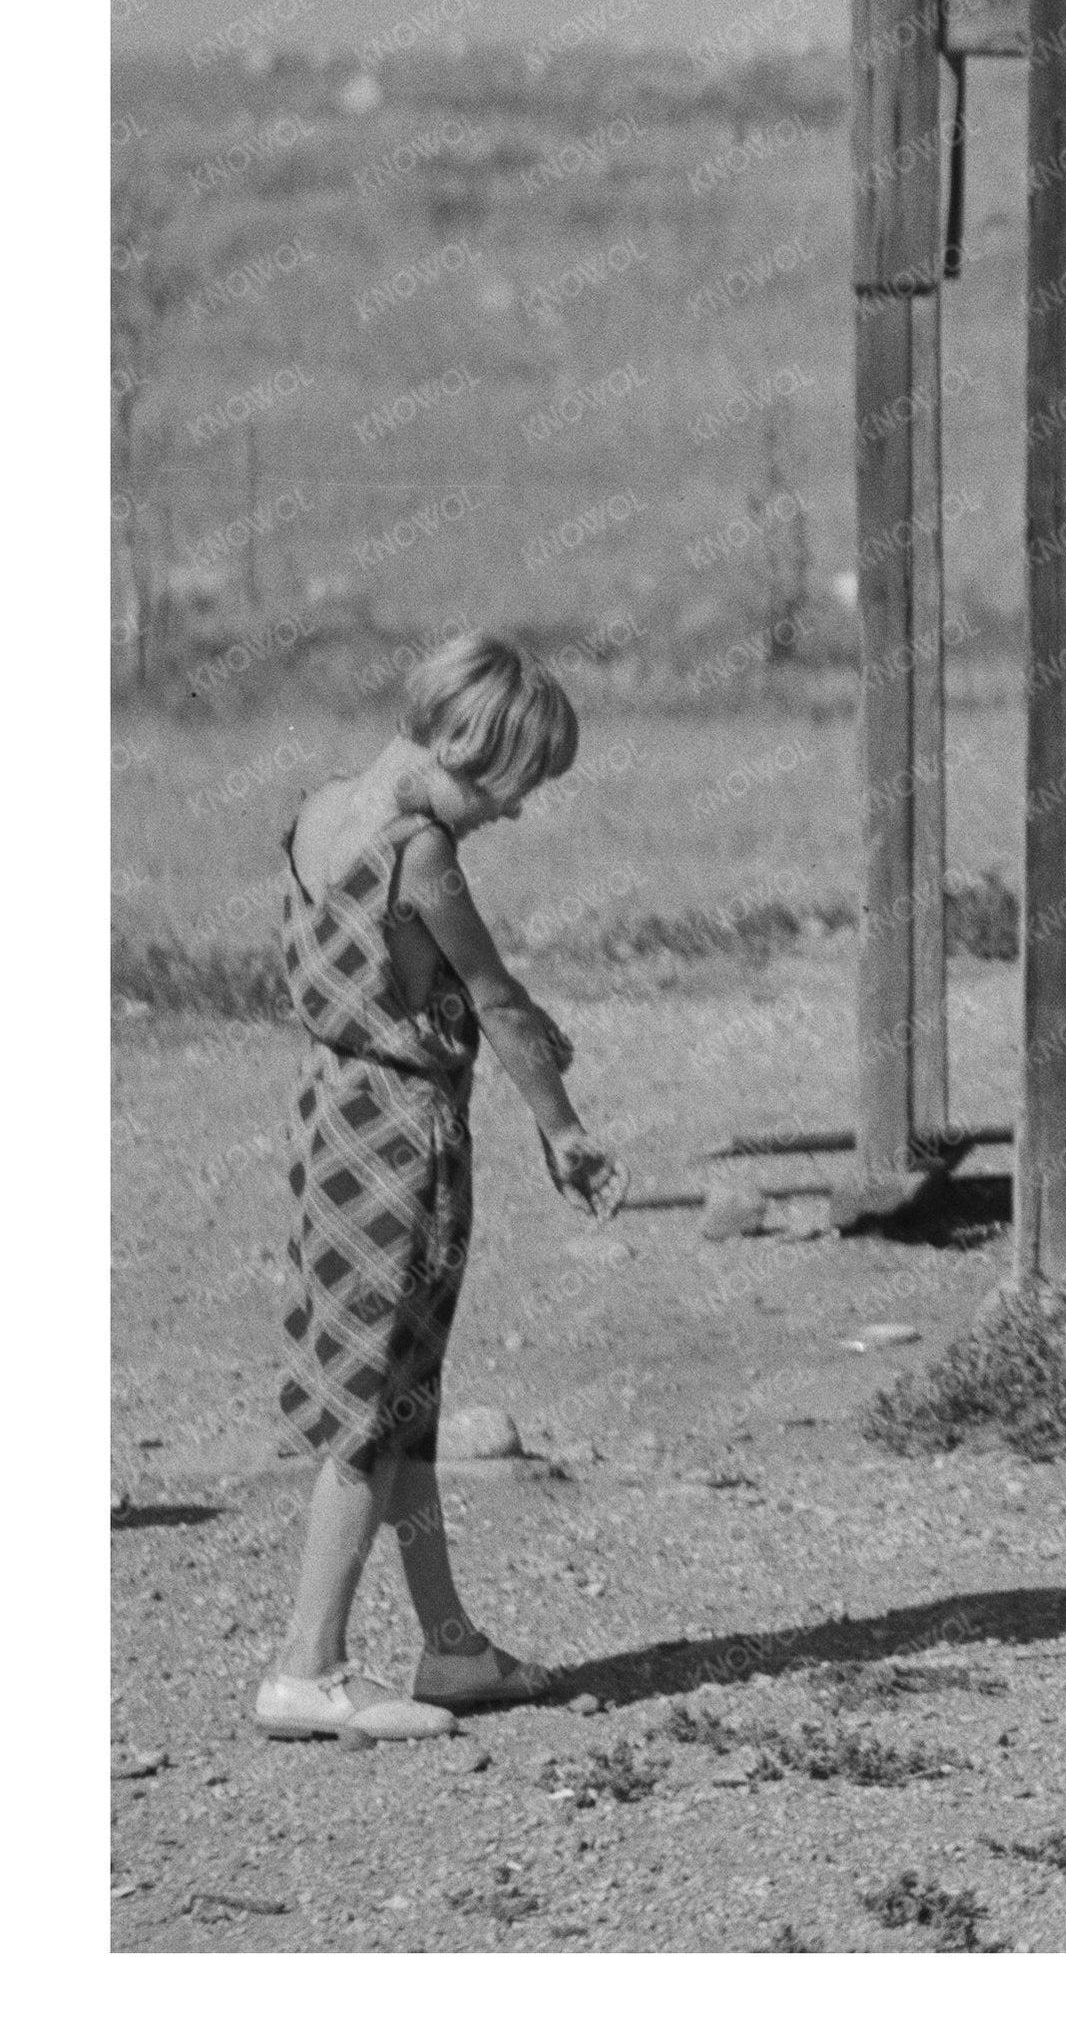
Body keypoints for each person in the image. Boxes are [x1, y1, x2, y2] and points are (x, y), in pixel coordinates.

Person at [261, 632, 620, 1740]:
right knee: (372, 1412)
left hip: (330, 1116)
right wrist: (565, 1130)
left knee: (405, 1399)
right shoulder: (422, 854)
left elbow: (384, 973)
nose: (512, 811)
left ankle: (449, 1645)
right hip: (403, 1139)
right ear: (472, 744)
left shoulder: (320, 810)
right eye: (514, 784)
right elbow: (501, 1001)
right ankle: (305, 1668)